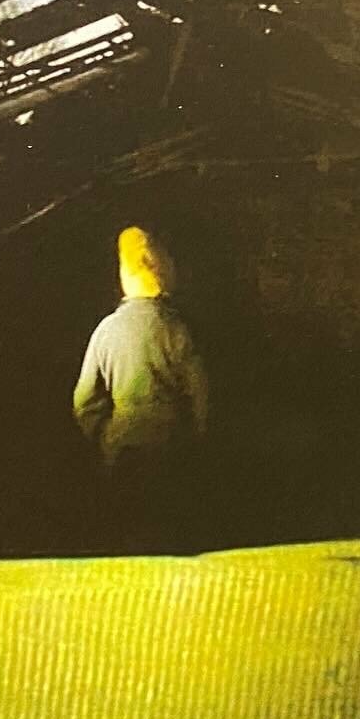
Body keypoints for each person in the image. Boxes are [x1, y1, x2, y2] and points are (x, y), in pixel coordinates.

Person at [73, 226, 209, 552]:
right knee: (172, 541)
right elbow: (202, 396)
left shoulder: (105, 330)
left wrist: (106, 437)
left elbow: (84, 402)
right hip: (170, 449)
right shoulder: (176, 328)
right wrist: (195, 439)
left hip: (123, 454)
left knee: (128, 543)